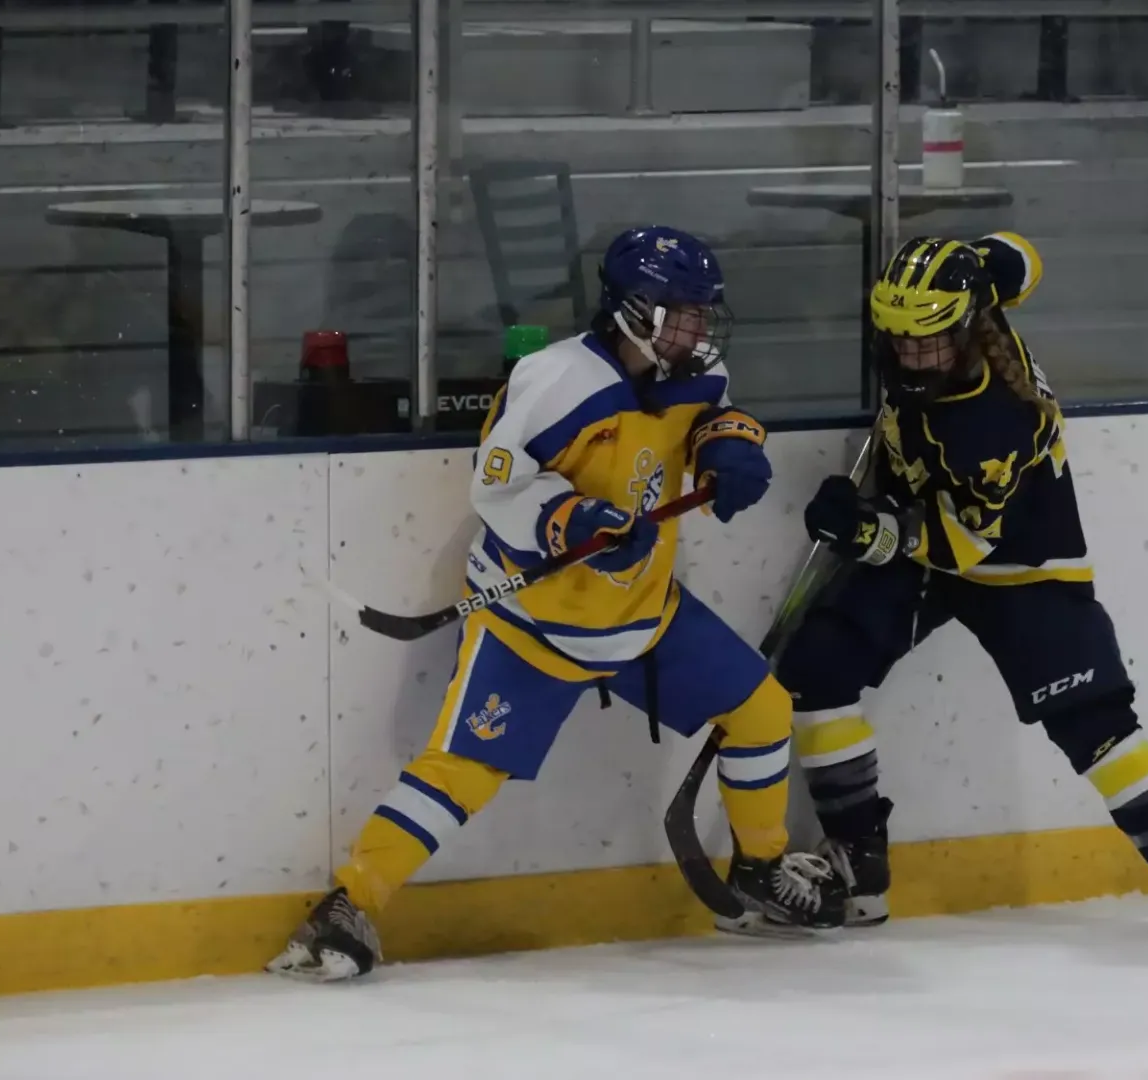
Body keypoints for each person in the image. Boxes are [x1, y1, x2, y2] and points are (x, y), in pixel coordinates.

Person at [269, 226, 849, 982]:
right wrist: (569, 519)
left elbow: (716, 413)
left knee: (761, 710)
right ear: (636, 311)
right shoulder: (557, 382)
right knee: (462, 769)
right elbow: (496, 483)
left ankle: (760, 869)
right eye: (684, 313)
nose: (700, 328)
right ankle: (347, 908)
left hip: (644, 617)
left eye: (704, 313)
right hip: (532, 626)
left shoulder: (694, 367)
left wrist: (728, 447)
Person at [773, 233, 1148, 941]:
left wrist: (868, 530)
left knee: (1093, 722)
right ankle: (857, 869)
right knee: (816, 667)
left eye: (927, 343)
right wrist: (976, 259)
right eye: (899, 340)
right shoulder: (971, 302)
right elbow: (1019, 256)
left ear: (969, 329)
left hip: (1024, 567)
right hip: (929, 539)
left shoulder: (992, 420)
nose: (910, 356)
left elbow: (961, 547)